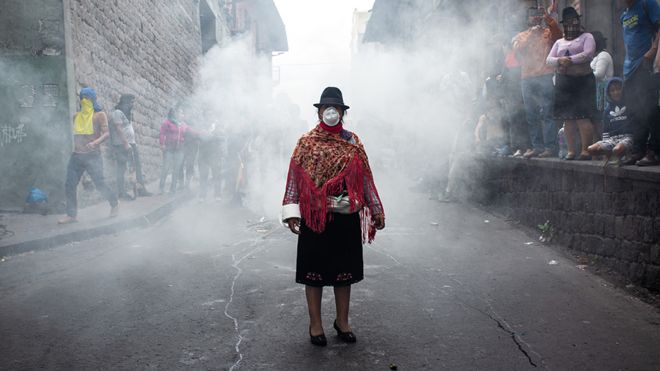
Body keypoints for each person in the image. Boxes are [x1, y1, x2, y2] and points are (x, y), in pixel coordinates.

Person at [281, 87, 385, 347]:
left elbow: (365, 180)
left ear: (342, 113)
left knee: (344, 273)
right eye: (326, 108)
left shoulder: (353, 142)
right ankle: (315, 325)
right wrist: (292, 212)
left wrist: (375, 209)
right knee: (312, 273)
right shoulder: (306, 142)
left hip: (346, 216)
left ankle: (343, 321)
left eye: (336, 109)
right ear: (319, 112)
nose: (331, 112)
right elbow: (294, 178)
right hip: (314, 216)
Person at [58, 87, 119, 224]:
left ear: (92, 98)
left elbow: (106, 133)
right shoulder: (76, 116)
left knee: (99, 183)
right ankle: (71, 215)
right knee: (70, 184)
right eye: (82, 98)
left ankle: (114, 204)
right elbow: (75, 136)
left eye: (87, 97)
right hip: (77, 156)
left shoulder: (99, 115)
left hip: (93, 155)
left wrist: (95, 143)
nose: (84, 100)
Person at [546, 7, 596, 161]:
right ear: (564, 24)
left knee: (582, 117)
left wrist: (570, 60)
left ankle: (586, 150)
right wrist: (559, 61)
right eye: (568, 22)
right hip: (564, 82)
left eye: (574, 21)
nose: (571, 25)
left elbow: (588, 54)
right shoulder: (559, 41)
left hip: (582, 81)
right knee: (567, 118)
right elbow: (548, 60)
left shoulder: (587, 36)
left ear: (578, 21)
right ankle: (571, 151)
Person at [512, 6, 563, 158]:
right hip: (527, 78)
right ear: (527, 19)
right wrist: (531, 34)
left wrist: (548, 19)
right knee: (531, 114)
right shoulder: (521, 36)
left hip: (545, 75)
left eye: (537, 15)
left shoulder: (547, 32)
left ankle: (550, 147)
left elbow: (559, 37)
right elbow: (517, 51)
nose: (534, 18)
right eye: (532, 15)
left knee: (547, 113)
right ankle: (537, 147)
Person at [620, 0, 660, 166]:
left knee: (649, 110)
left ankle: (655, 152)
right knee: (634, 112)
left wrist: (653, 49)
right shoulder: (623, 16)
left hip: (645, 66)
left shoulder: (647, 4)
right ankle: (638, 150)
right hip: (629, 70)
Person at [108, 94, 151, 200]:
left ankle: (141, 189)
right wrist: (126, 143)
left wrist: (131, 143)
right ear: (125, 102)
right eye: (131, 102)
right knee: (121, 169)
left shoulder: (127, 113)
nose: (132, 104)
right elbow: (118, 129)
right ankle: (121, 193)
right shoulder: (118, 113)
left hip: (131, 144)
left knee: (137, 167)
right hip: (122, 145)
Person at [587, 78, 636, 166]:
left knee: (617, 149)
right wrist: (605, 145)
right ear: (609, 93)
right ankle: (612, 156)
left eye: (618, 89)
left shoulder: (630, 105)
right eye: (612, 90)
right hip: (611, 140)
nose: (616, 92)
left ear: (623, 89)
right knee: (591, 149)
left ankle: (624, 154)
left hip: (627, 138)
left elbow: (636, 125)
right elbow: (606, 130)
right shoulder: (607, 110)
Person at [159, 106, 187, 194]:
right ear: (175, 114)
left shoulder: (183, 125)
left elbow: (191, 132)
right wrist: (162, 144)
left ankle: (173, 188)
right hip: (169, 148)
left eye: (182, 113)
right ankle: (161, 188)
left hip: (180, 149)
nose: (181, 114)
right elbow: (162, 133)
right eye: (180, 112)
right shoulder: (167, 123)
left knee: (176, 169)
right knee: (166, 168)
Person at [590, 31, 615, 115]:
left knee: (602, 115)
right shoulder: (596, 56)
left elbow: (599, 74)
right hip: (597, 91)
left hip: (603, 91)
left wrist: (584, 74)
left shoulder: (603, 55)